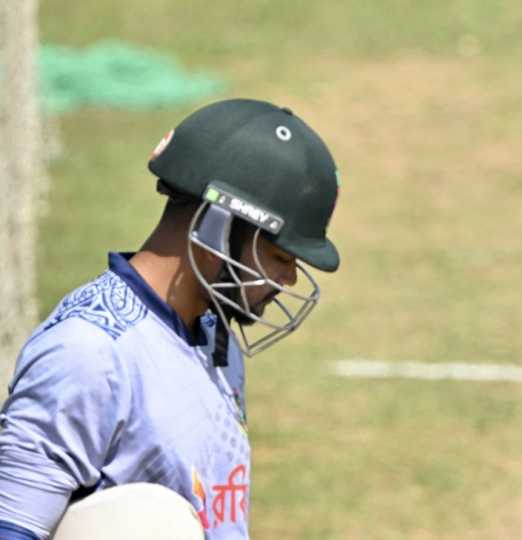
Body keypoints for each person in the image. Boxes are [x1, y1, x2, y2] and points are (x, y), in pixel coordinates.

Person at [0, 98, 342, 539]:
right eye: (279, 256)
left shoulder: (215, 342)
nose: (290, 279)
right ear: (216, 226)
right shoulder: (89, 354)